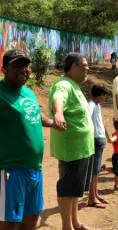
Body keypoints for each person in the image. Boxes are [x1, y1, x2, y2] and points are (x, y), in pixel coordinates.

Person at [0, 49, 56, 230]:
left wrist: (52, 122)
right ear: (4, 70)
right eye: (16, 66)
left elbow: (36, 114)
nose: (24, 70)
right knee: (9, 223)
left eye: (26, 65)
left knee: (32, 219)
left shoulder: (28, 92)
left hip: (34, 168)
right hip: (10, 170)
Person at [49, 53, 93, 230]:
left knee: (75, 190)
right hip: (72, 149)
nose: (87, 69)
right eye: (84, 66)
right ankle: (66, 226)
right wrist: (58, 113)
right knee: (67, 189)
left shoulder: (74, 85)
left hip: (81, 148)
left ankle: (75, 222)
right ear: (73, 67)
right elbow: (58, 99)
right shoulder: (63, 84)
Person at [87, 85, 115, 209]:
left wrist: (107, 136)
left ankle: (95, 194)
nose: (105, 98)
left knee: (97, 169)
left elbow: (101, 123)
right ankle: (91, 199)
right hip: (95, 139)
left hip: (100, 139)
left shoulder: (97, 105)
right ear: (98, 95)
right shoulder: (91, 105)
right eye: (104, 95)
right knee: (94, 170)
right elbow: (87, 119)